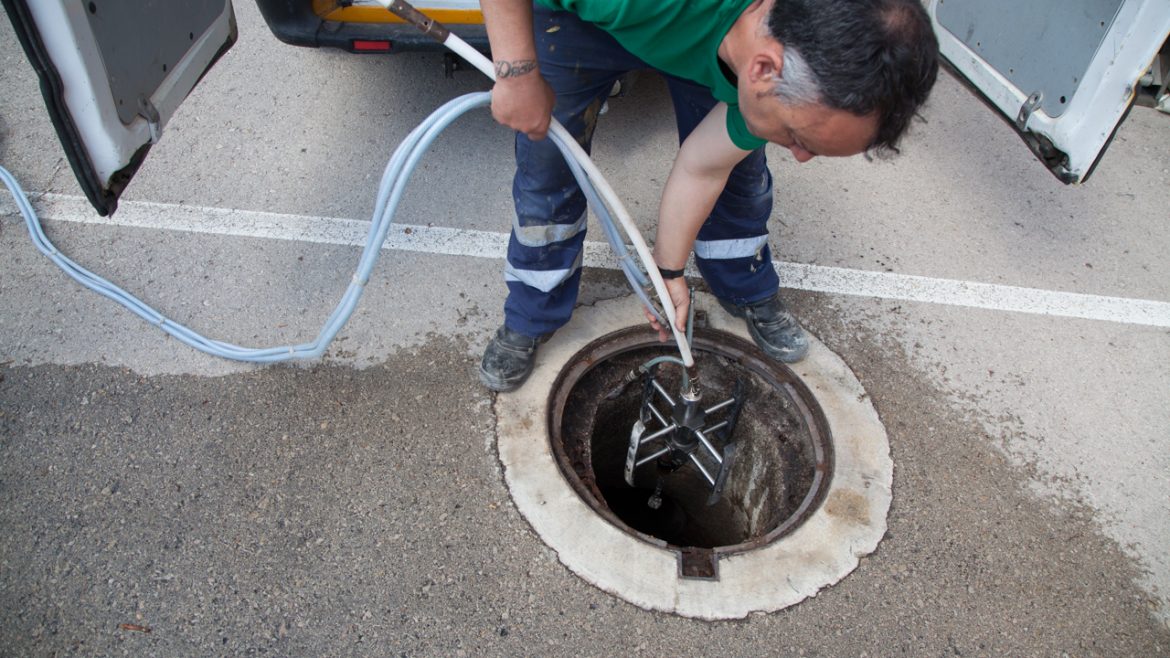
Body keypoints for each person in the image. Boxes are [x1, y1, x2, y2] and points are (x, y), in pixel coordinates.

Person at [478, 0, 938, 391]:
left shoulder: (797, 45)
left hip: (706, 37)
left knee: (740, 172)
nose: (799, 157)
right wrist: (516, 72)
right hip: (586, 20)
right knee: (548, 171)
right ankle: (531, 313)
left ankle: (746, 287)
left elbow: (704, 165)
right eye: (800, 138)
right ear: (764, 69)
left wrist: (667, 271)